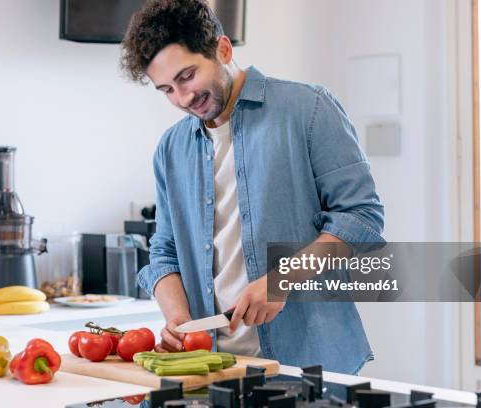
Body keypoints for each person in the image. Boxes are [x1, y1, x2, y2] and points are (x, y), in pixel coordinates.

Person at [120, 0, 384, 374]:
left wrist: (281, 280)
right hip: (213, 366)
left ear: (222, 49)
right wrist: (178, 319)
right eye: (166, 89)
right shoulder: (170, 147)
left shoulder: (308, 109)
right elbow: (164, 251)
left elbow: (362, 219)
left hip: (307, 362)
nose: (182, 98)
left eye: (187, 76)